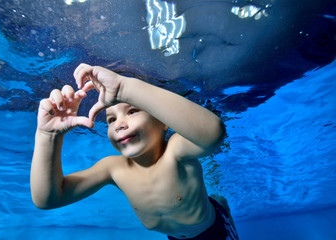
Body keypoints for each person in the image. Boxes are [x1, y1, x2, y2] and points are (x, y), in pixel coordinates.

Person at [31, 63, 239, 240]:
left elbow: (213, 134)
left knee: (218, 208)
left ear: (163, 120)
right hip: (174, 238)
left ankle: (222, 207)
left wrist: (123, 88)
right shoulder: (114, 169)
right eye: (111, 119)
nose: (119, 124)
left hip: (216, 232)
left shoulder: (176, 152)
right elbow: (49, 199)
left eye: (132, 111)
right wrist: (48, 136)